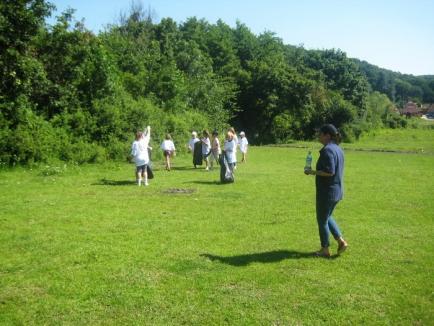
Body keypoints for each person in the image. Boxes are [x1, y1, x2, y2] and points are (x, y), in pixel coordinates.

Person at [304, 124, 348, 257]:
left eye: (321, 133)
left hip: (327, 192)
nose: (319, 136)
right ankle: (341, 241)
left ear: (327, 135)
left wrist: (312, 172)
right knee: (327, 217)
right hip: (337, 191)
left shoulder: (328, 150)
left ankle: (325, 249)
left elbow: (329, 171)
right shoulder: (338, 149)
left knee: (322, 220)